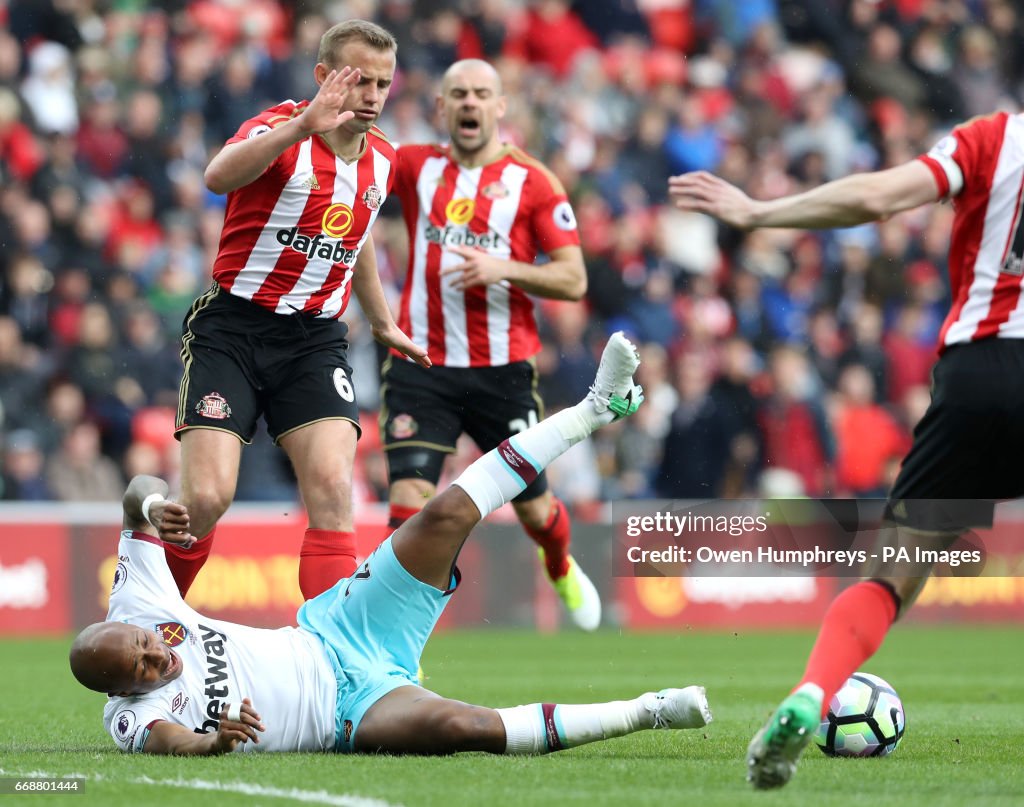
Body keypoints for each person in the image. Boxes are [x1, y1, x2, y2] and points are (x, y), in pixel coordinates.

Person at [69, 333, 713, 756]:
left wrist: (154, 505)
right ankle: (647, 711)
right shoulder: (130, 720)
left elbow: (137, 491)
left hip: (334, 630)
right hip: (348, 712)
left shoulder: (135, 605)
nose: (159, 657)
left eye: (149, 645)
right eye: (144, 670)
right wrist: (213, 745)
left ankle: (598, 408)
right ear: (117, 695)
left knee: (442, 516)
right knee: (464, 727)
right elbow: (171, 744)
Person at [669, 110, 1024, 788]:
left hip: (981, 369)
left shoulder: (997, 138)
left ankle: (812, 692)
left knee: (890, 575)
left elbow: (878, 196)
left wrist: (760, 211)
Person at [148, 21, 430, 601]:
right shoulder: (280, 127)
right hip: (234, 328)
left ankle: (334, 657)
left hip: (315, 339)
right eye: (358, 81)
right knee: (205, 498)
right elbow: (216, 176)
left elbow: (360, 231)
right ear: (324, 77)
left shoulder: (382, 159)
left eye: (382, 83)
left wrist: (380, 321)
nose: (372, 96)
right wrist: (303, 123)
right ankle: (149, 620)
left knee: (332, 485)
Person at [382, 59, 599, 630]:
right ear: (441, 108)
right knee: (408, 503)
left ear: (500, 106)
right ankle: (395, 639)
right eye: (458, 94)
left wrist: (502, 268)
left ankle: (559, 565)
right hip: (420, 361)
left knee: (535, 508)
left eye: (481, 94)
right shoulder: (411, 166)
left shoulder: (533, 182)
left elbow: (574, 279)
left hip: (501, 371)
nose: (469, 103)